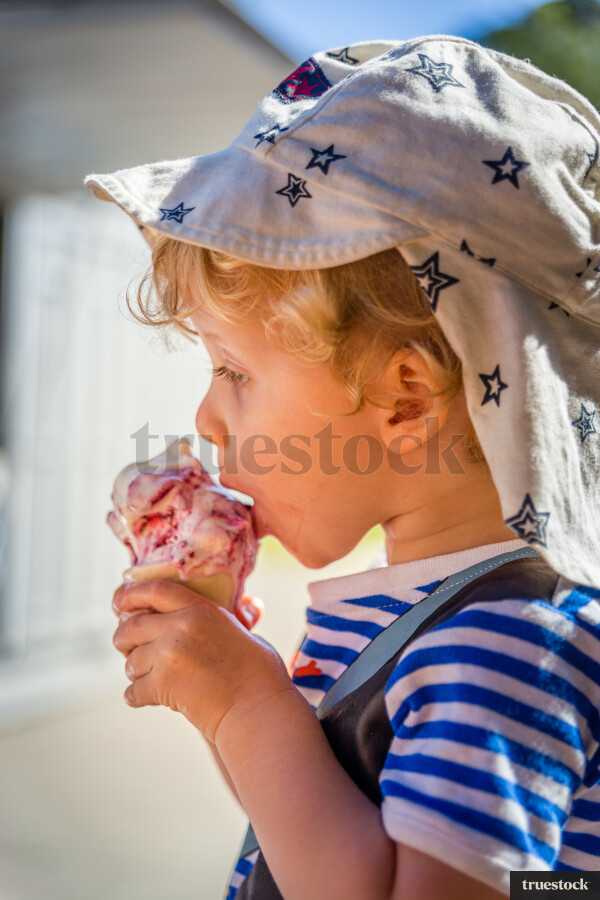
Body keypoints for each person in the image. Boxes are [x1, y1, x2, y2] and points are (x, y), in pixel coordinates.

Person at [88, 36, 600, 898]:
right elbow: (300, 833)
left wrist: (248, 705)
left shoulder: (511, 644)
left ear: (405, 399)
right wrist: (233, 689)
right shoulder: (402, 606)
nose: (207, 416)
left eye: (236, 372)